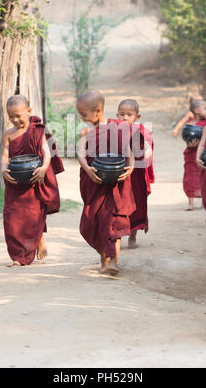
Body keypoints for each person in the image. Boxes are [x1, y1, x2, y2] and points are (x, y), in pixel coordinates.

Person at [77, 90, 136, 276]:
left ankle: (114, 263)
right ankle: (104, 260)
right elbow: (80, 153)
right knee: (97, 222)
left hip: (117, 184)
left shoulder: (119, 127)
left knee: (115, 223)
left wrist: (132, 167)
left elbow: (129, 151)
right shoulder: (86, 131)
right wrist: (87, 169)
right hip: (96, 183)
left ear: (97, 110)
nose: (81, 117)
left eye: (83, 114)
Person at [1, 95, 64, 266]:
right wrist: (3, 169)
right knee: (11, 218)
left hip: (35, 178)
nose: (15, 120)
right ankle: (17, 256)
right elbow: (5, 156)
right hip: (15, 181)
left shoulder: (37, 130)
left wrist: (44, 169)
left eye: (18, 116)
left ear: (28, 111)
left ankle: (34, 244)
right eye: (11, 117)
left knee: (33, 216)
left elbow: (47, 152)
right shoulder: (8, 134)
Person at [116, 99, 154, 248]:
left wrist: (142, 157)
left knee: (136, 204)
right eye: (122, 114)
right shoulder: (113, 131)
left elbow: (148, 149)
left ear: (137, 117)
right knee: (118, 204)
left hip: (136, 176)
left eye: (129, 115)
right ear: (116, 115)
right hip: (120, 173)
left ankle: (133, 237)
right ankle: (117, 236)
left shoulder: (140, 131)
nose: (125, 118)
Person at [183, 99, 206, 211]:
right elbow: (187, 139)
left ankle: (204, 201)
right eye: (205, 109)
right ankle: (191, 202)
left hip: (203, 155)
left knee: (203, 177)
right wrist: (190, 144)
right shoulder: (189, 125)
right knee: (190, 177)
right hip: (190, 154)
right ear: (196, 110)